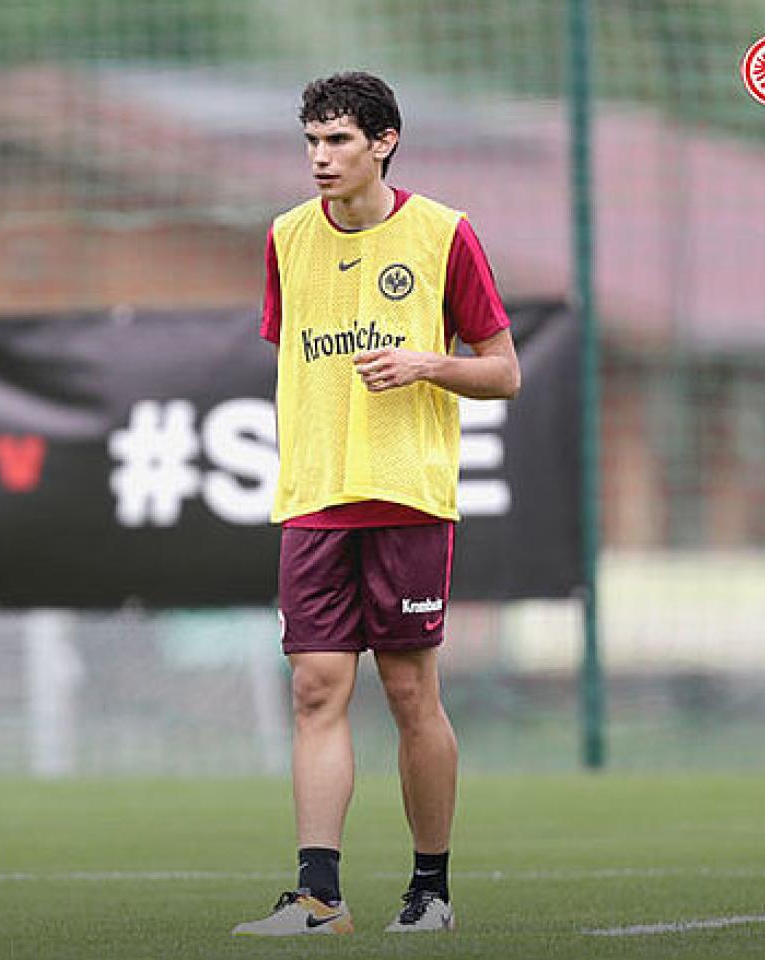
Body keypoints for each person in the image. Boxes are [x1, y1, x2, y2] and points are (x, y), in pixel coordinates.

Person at [232, 71, 521, 936]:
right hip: (315, 498)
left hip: (405, 495)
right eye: (312, 141)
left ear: (383, 142)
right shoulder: (286, 238)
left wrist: (428, 363)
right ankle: (319, 899)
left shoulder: (443, 235)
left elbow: (504, 371)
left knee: (407, 692)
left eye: (339, 141)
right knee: (315, 690)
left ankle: (429, 892)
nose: (321, 159)